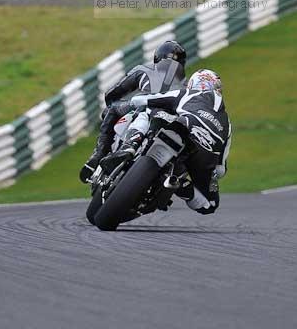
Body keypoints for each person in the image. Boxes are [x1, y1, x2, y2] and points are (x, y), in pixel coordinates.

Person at [79, 40, 187, 183]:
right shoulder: (187, 86)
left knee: (112, 109)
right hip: (172, 120)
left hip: (144, 107)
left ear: (157, 57)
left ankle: (98, 155)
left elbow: (113, 93)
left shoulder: (144, 70)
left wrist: (110, 107)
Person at [128, 68, 232, 215]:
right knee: (210, 205)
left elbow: (142, 100)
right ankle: (180, 185)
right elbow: (220, 168)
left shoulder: (186, 93)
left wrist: (128, 104)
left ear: (192, 84)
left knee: (147, 110)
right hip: (204, 157)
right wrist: (211, 174)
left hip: (180, 130)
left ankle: (131, 144)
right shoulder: (227, 122)